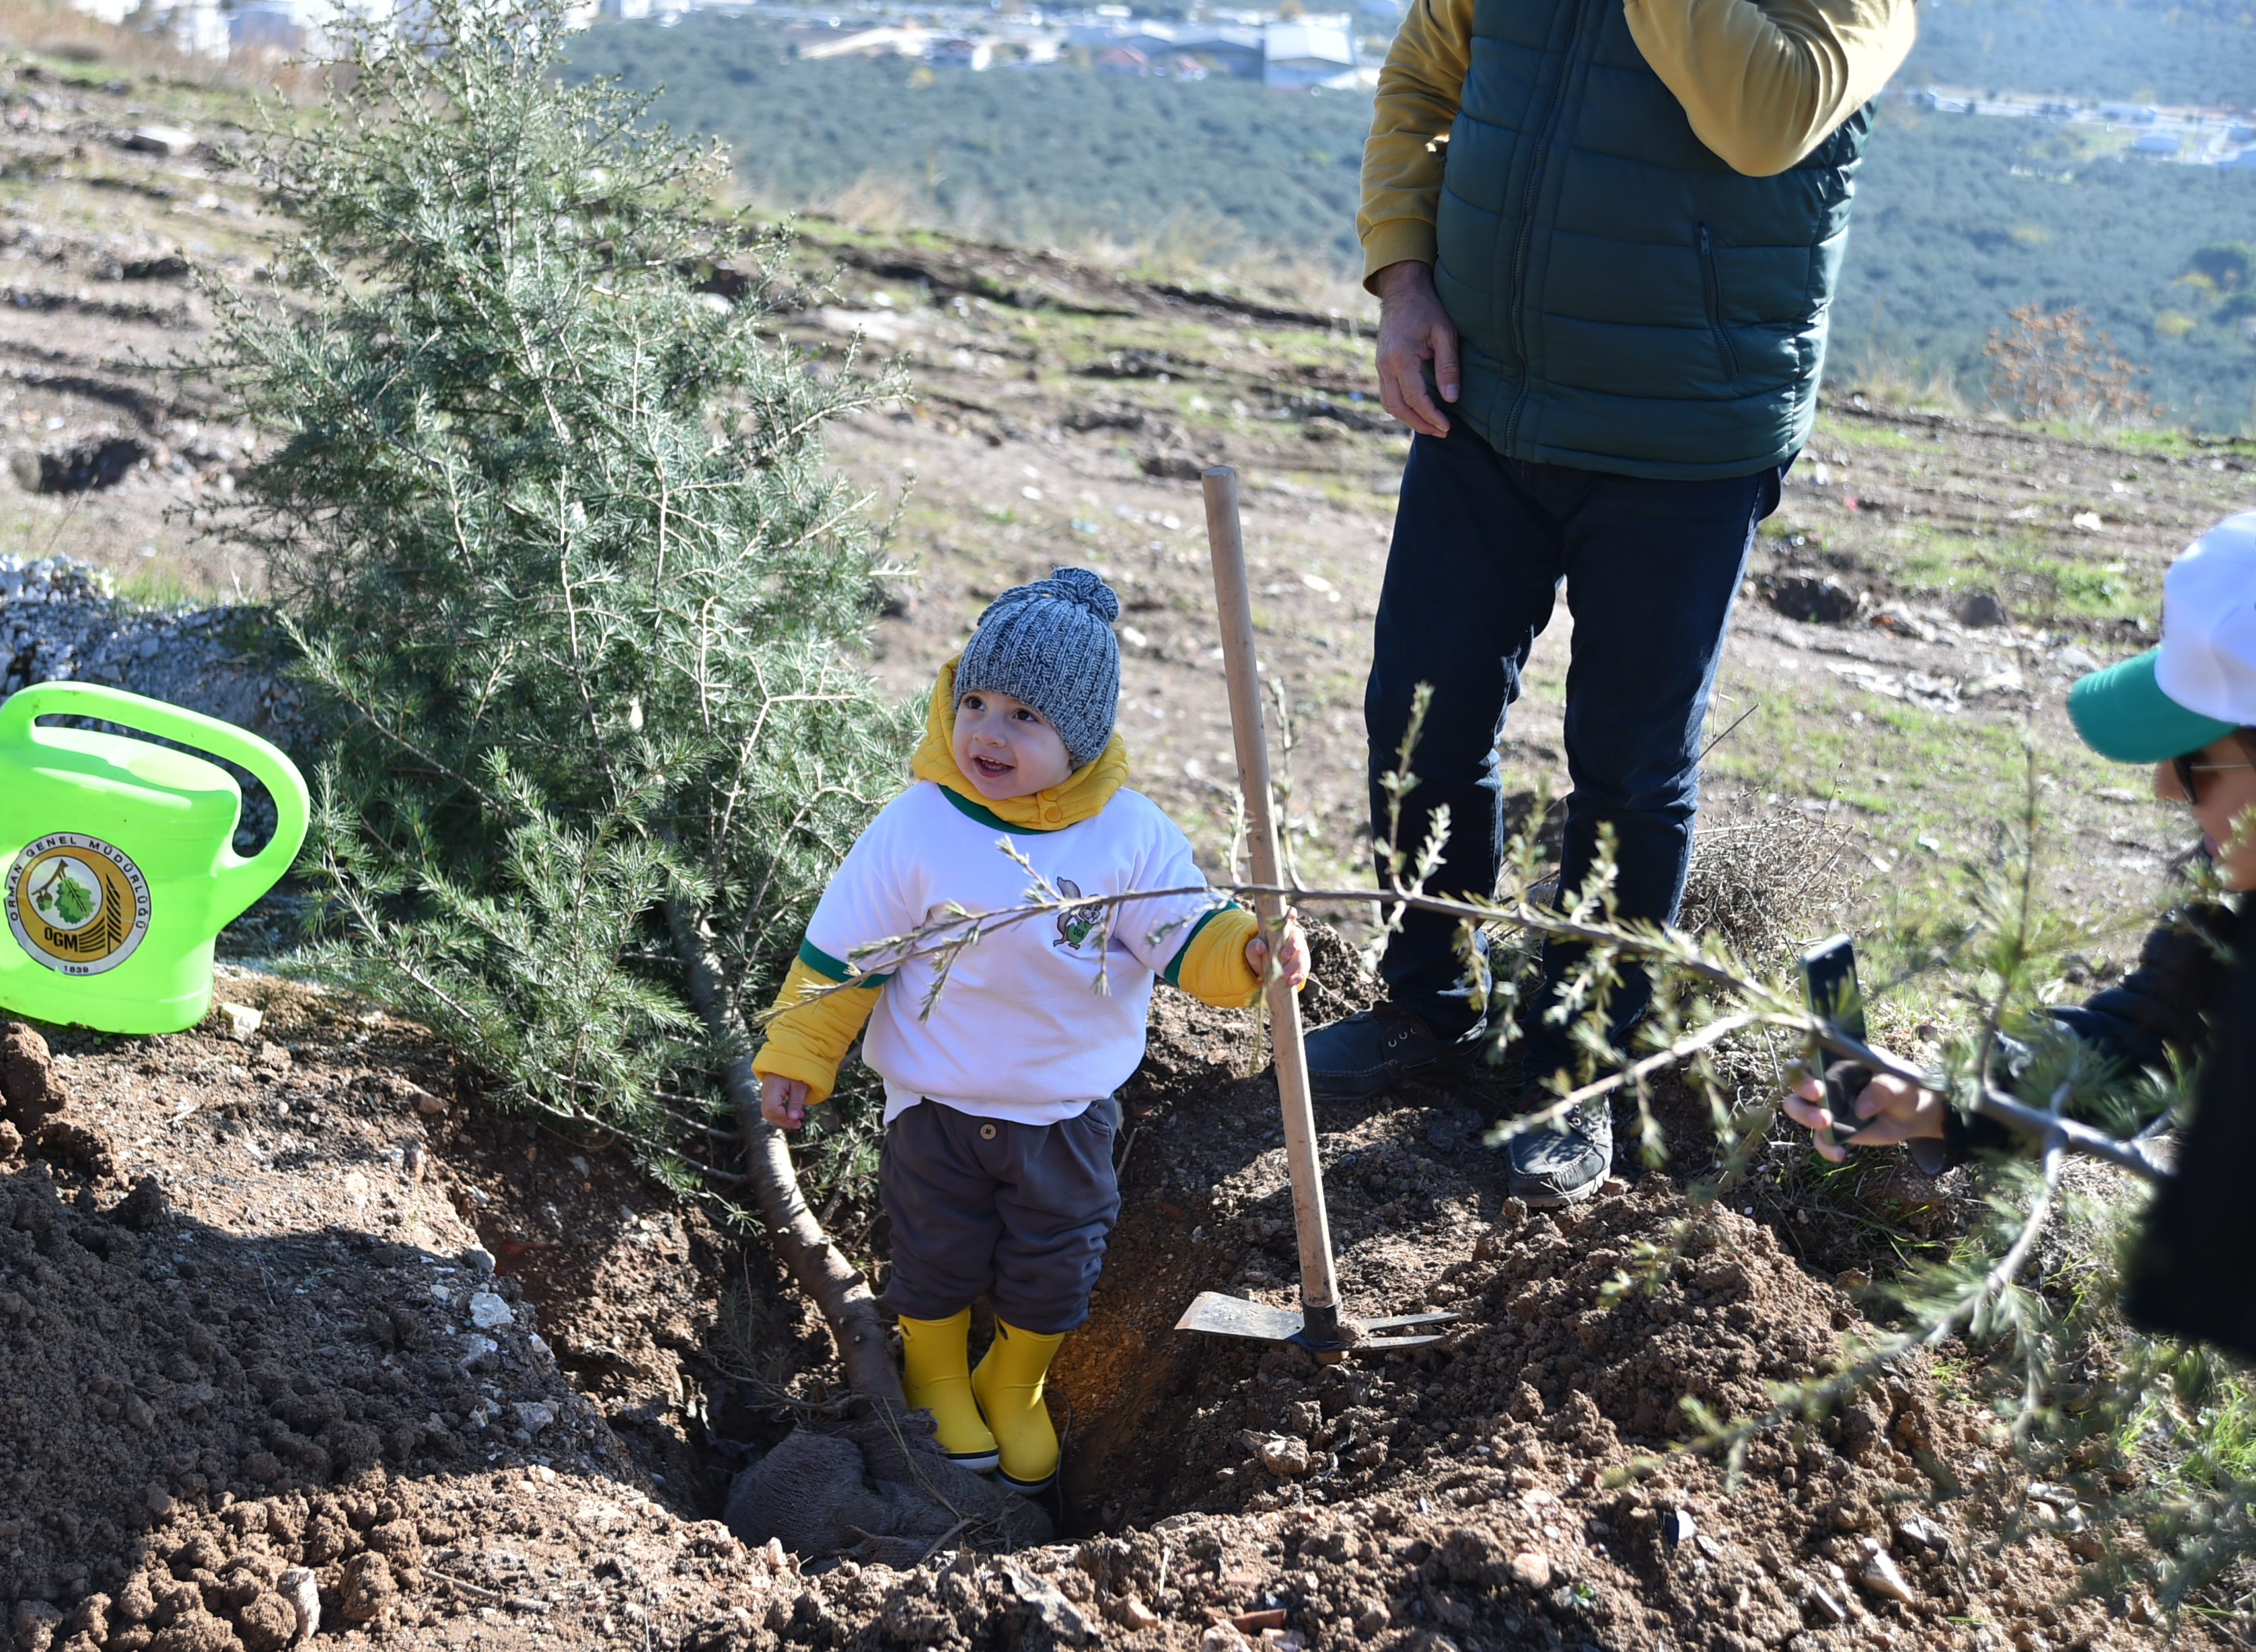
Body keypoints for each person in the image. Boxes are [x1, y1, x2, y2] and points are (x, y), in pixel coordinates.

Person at [1309, 0, 1919, 1208]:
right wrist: (1403, 275)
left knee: (1629, 767)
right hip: (1483, 398)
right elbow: (1426, 79)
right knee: (1420, 713)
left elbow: (1763, 118)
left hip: (1685, 438)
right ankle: (1432, 1006)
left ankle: (1575, 1067)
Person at [752, 568, 1309, 1492]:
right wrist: (797, 1057)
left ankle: (1014, 1383)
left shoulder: (1127, 838)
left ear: (1080, 740)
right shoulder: (917, 826)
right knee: (934, 1254)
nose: (988, 732)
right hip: (932, 1107)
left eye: (1024, 717)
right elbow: (843, 955)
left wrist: (1248, 951)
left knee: (1056, 1268)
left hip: (1063, 1115)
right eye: (974, 702)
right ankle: (936, 1371)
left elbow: (1186, 935)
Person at [1786, 515, 2256, 1361]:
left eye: (2193, 758)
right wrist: (1944, 1100)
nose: (2163, 786)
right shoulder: (2232, 914)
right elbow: (2145, 1037)